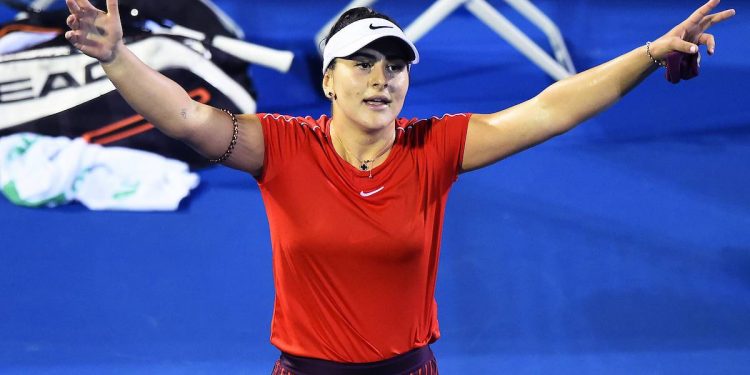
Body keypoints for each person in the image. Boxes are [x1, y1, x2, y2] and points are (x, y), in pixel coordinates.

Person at [63, 0, 735, 373]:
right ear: (328, 79)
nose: (382, 77)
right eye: (363, 64)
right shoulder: (281, 147)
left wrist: (649, 54)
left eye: (395, 66)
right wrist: (119, 58)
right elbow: (184, 116)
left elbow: (553, 107)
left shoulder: (435, 147)